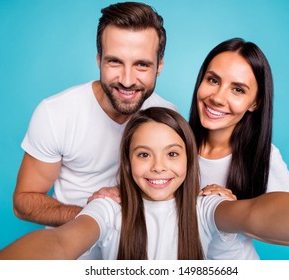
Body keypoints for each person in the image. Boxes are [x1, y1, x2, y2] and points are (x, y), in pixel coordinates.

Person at [0, 107, 289, 260]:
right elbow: (61, 241)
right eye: (144, 154)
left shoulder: (205, 206)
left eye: (173, 154)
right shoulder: (109, 208)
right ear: (128, 163)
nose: (158, 168)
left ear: (189, 160)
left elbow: (260, 212)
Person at [12, 2, 176, 259]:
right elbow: (24, 202)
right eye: (115, 62)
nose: (127, 79)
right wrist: (96, 213)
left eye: (142, 65)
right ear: (99, 59)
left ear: (160, 65)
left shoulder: (169, 117)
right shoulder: (56, 113)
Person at [189, 38, 289, 259]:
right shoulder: (174, 144)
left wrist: (234, 213)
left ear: (255, 102)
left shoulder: (264, 157)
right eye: (213, 80)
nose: (217, 98)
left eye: (237, 89)